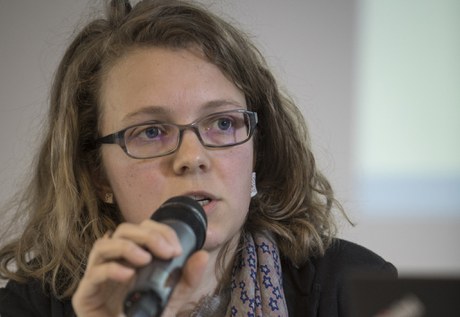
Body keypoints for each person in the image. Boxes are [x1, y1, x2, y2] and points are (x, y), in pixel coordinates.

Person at [0, 0, 397, 316]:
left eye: (222, 124)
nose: (192, 157)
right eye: (151, 132)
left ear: (256, 151)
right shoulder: (27, 308)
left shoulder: (354, 287)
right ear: (98, 176)